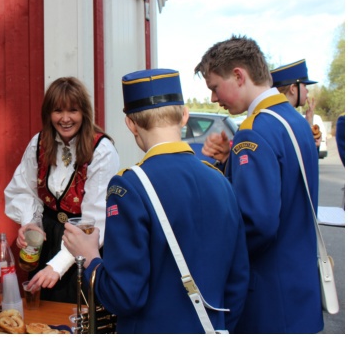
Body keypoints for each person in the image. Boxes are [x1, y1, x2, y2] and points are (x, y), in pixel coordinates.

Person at [63, 69, 249, 333]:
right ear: (184, 115)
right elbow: (238, 282)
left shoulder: (129, 186)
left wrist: (90, 256)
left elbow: (124, 296)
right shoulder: (220, 180)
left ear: (130, 124)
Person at [193, 35, 323, 333]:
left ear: (239, 75)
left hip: (268, 300)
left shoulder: (254, 131)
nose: (213, 98)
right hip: (299, 291)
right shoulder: (293, 120)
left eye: (215, 87)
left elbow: (256, 224)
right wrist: (229, 162)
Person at [4, 76, 120, 303]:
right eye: (58, 110)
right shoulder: (39, 143)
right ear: (49, 113)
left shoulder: (101, 150)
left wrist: (57, 266)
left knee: (78, 312)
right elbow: (22, 189)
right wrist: (32, 224)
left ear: (84, 112)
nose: (65, 119)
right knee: (45, 313)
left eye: (73, 110)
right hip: (48, 239)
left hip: (85, 247)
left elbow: (95, 221)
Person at [271, 59, 321, 148]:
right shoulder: (292, 121)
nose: (307, 90)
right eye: (304, 85)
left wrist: (308, 125)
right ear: (293, 88)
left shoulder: (278, 116)